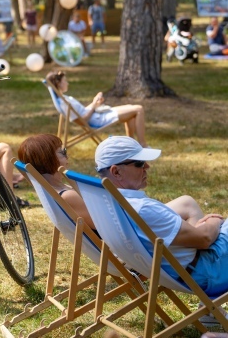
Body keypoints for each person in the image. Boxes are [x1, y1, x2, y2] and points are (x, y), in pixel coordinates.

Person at [95, 136, 228, 304]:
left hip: (173, 272)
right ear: (116, 171)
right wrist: (214, 221)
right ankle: (211, 309)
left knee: (187, 203)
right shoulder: (143, 209)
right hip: (208, 272)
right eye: (140, 164)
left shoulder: (103, 202)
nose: (147, 167)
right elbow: (204, 239)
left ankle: (210, 312)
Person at [46, 70, 148, 147]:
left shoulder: (64, 99)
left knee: (131, 109)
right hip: (97, 120)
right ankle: (143, 145)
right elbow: (83, 120)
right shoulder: (65, 103)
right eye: (65, 81)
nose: (67, 83)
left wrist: (95, 103)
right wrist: (94, 104)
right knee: (138, 109)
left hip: (96, 115)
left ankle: (131, 145)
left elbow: (82, 112)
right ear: (58, 83)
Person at [18, 134, 95, 230]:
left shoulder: (51, 190)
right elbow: (105, 227)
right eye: (63, 152)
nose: (68, 156)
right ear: (48, 160)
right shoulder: (68, 196)